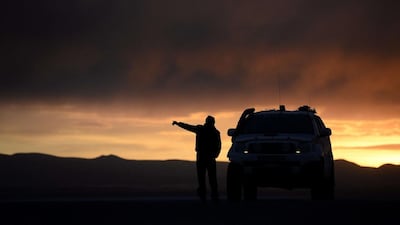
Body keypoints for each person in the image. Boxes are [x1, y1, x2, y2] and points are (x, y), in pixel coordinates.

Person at [172, 115, 221, 203]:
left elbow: (188, 127)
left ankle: (205, 196)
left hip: (203, 157)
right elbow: (219, 146)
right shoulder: (214, 132)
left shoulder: (202, 130)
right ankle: (213, 196)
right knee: (211, 179)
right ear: (213, 122)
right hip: (209, 157)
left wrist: (178, 123)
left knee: (203, 178)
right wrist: (215, 155)